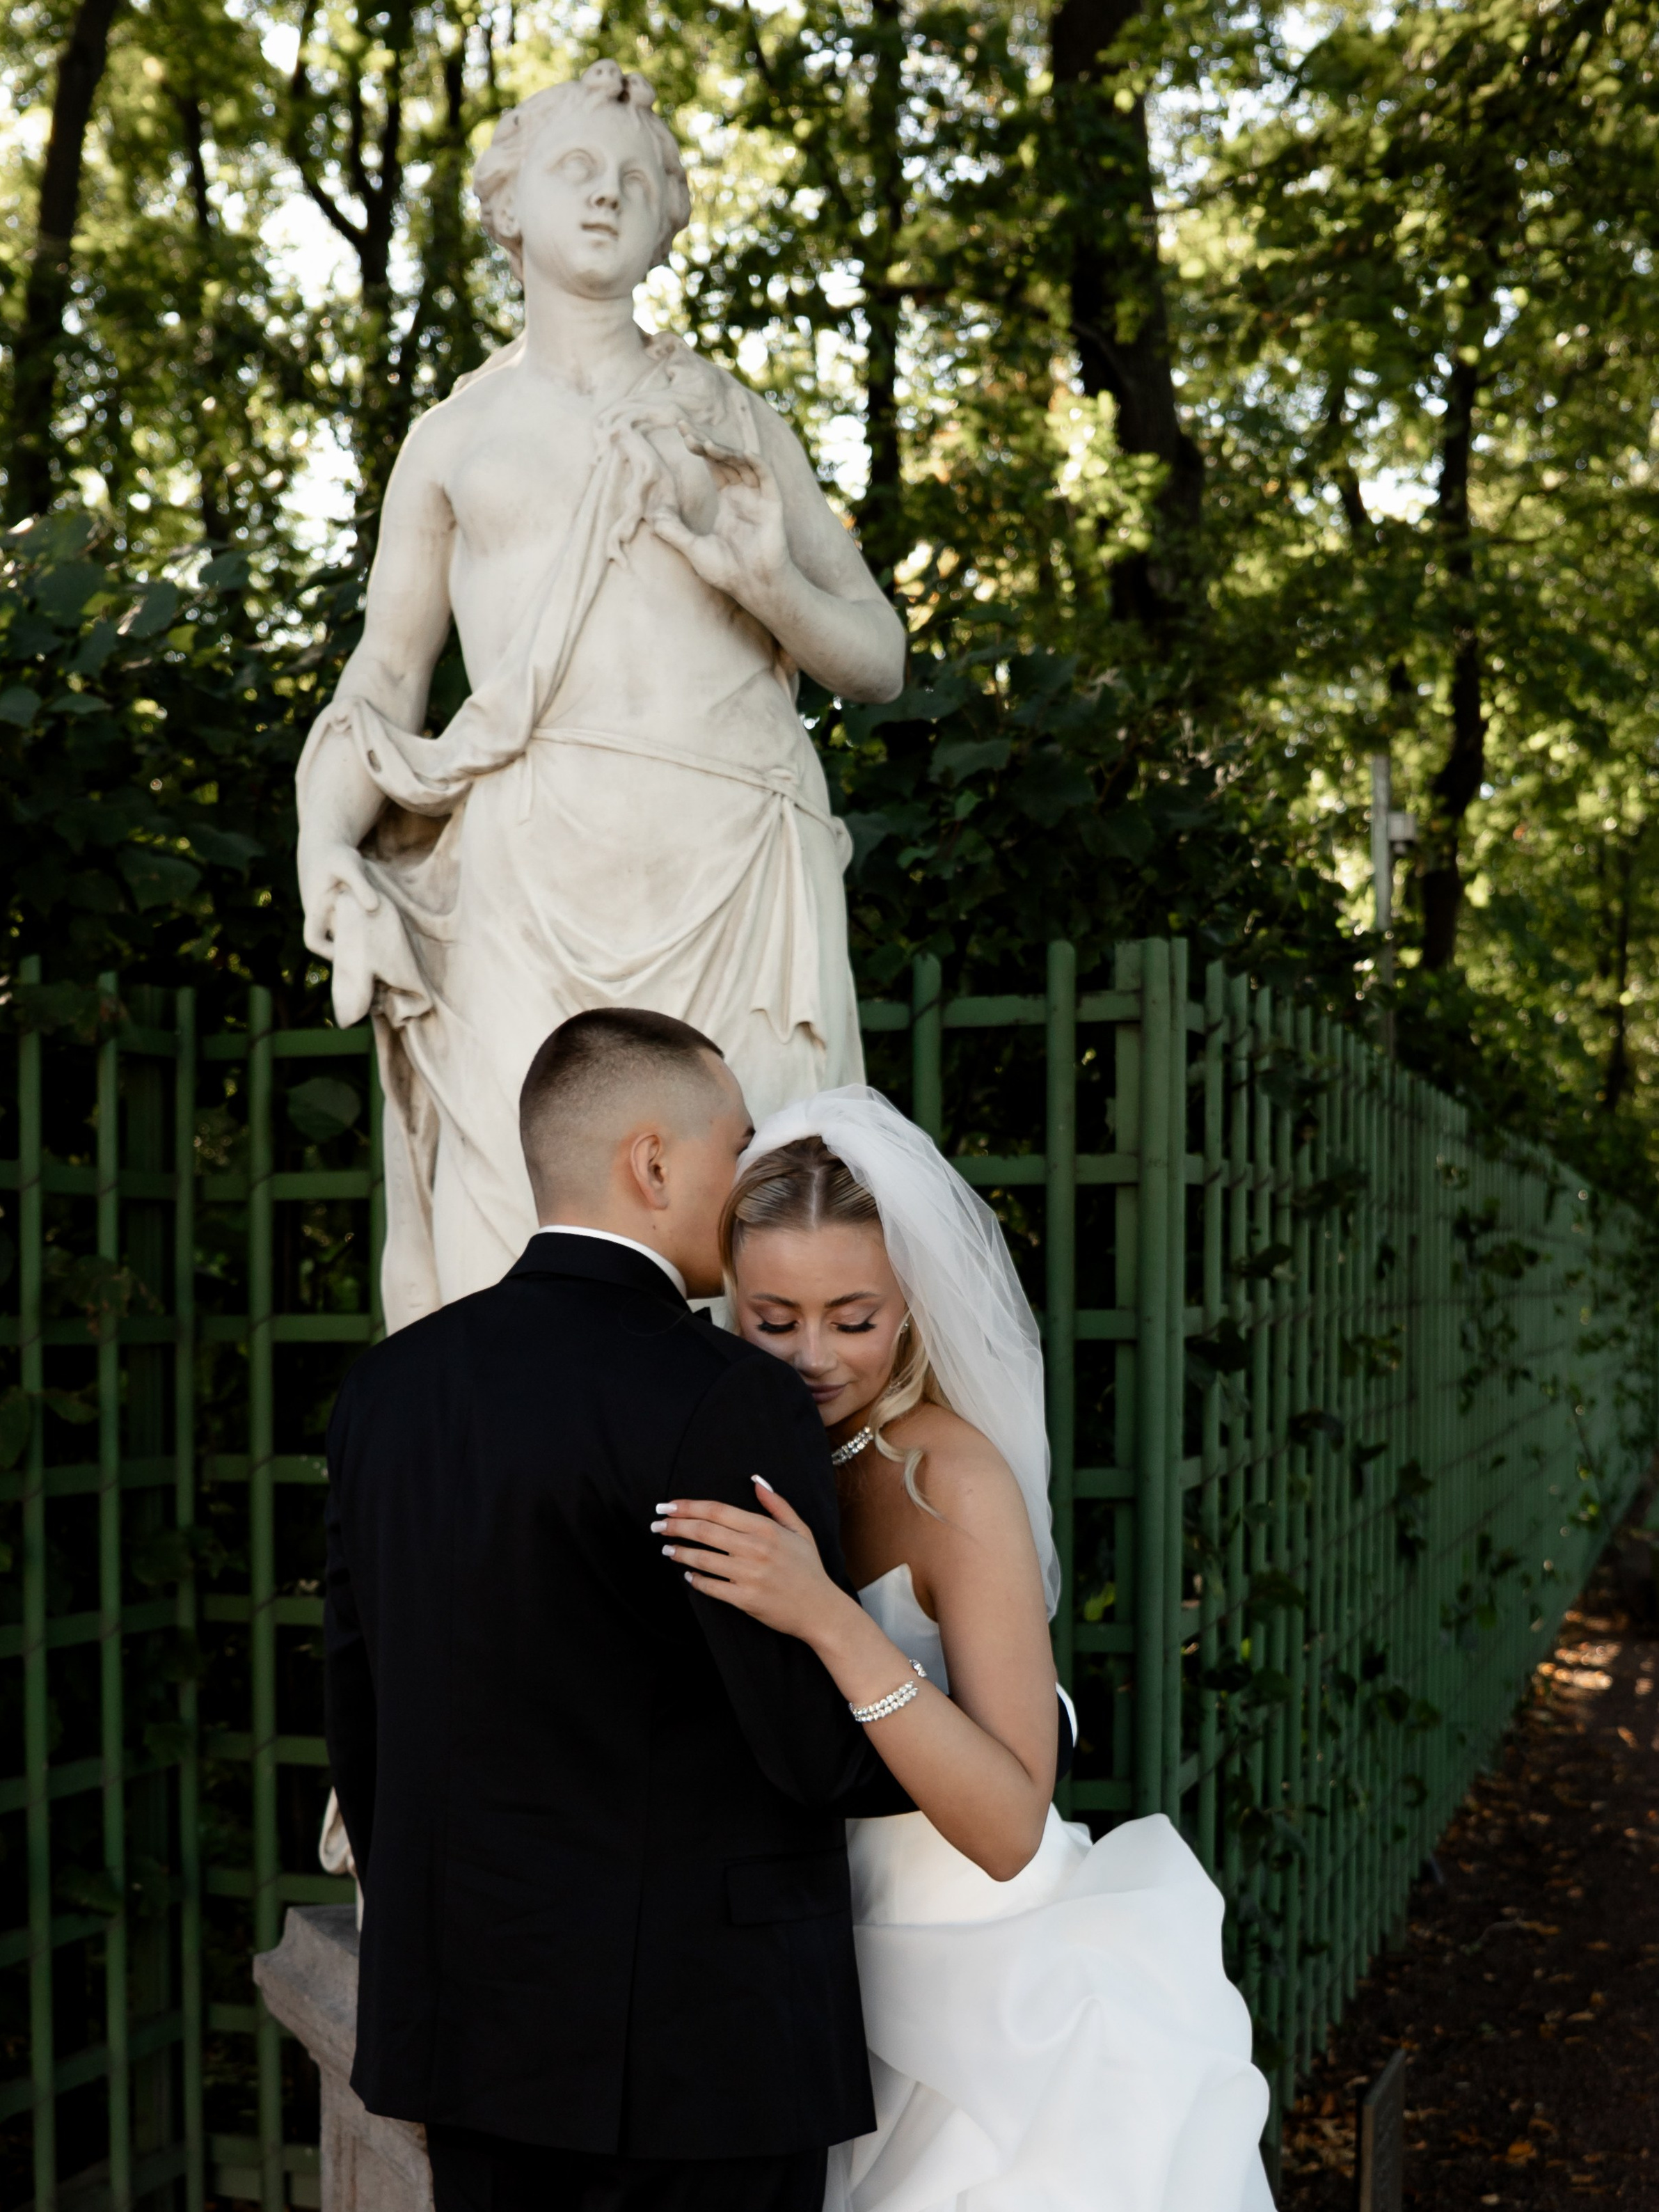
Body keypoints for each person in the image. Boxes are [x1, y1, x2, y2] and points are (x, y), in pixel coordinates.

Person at [294, 61, 904, 1327]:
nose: (607, 193)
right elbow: (388, 677)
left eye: (636, 177)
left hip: (734, 856)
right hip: (530, 873)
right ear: (508, 205)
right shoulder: (454, 438)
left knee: (755, 1240)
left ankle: (742, 1467)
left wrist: (770, 587)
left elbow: (876, 655)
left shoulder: (732, 420)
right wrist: (323, 840)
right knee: (510, 1242)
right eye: (575, 168)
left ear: (668, 214)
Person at [323, 1011, 920, 2212]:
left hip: (470, 2034)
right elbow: (811, 1751)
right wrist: (1017, 1729)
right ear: (653, 1162)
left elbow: (363, 1719)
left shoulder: (387, 1388)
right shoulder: (728, 1396)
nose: (748, 1174)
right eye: (736, 1145)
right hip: (701, 2056)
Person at [655, 1087, 1278, 2212]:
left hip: (990, 1988)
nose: (812, 1356)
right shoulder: (728, 1449)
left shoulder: (955, 1480)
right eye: (773, 1319)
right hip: (816, 1973)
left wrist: (828, 1615)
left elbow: (1006, 1825)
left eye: (855, 1318)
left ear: (913, 1305)